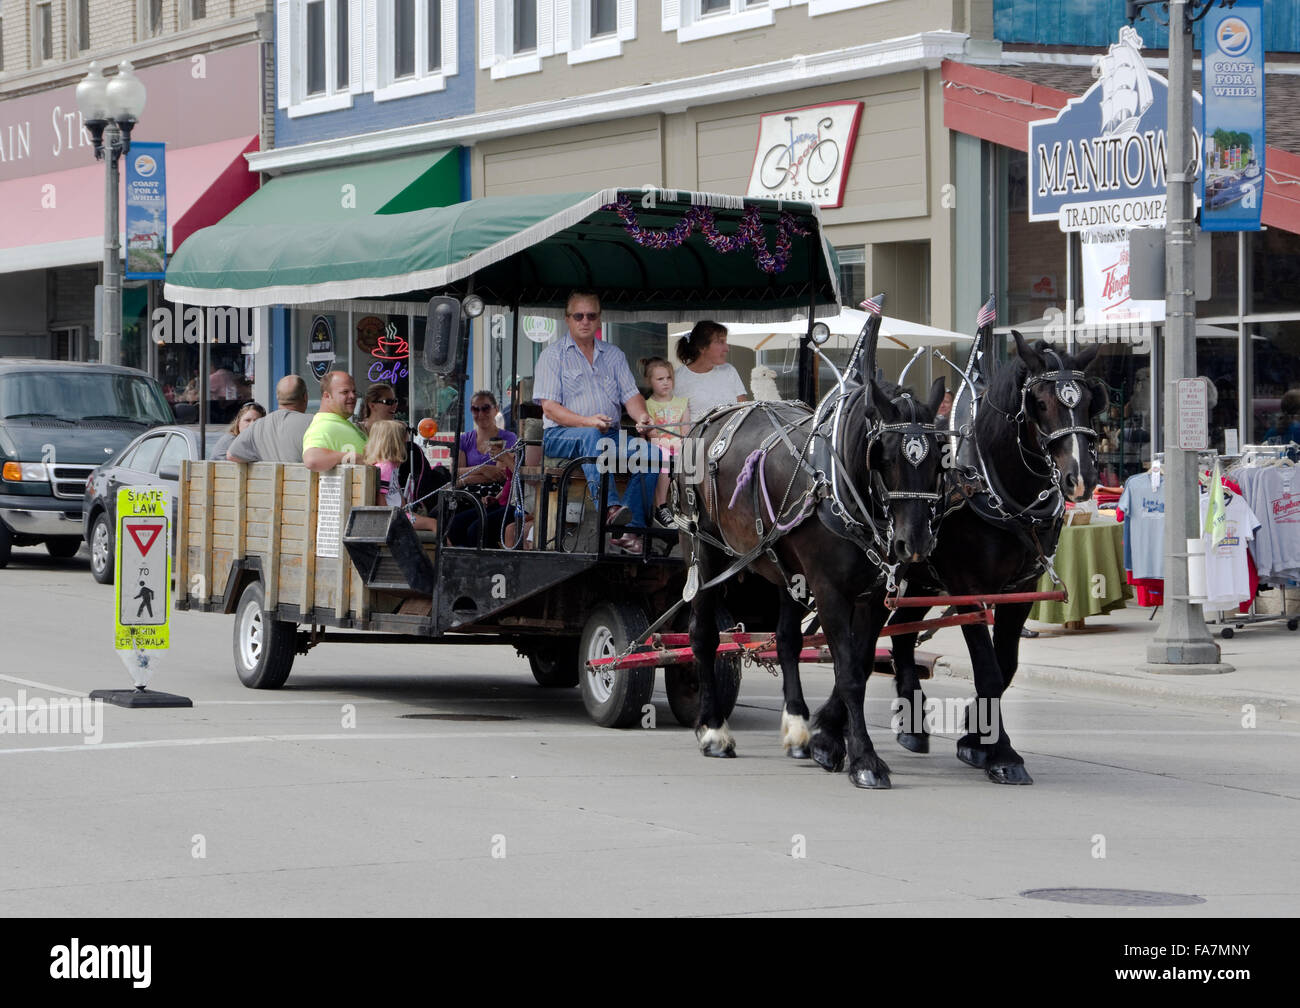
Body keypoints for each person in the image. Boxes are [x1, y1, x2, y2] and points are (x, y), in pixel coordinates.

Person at [532, 290, 659, 553]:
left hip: (608, 435)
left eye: (591, 315)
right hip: (561, 435)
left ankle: (629, 527)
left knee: (653, 454)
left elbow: (631, 396)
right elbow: (551, 409)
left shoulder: (614, 355)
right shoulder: (552, 356)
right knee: (591, 436)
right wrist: (587, 421)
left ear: (599, 319)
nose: (585, 321)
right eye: (578, 315)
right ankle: (611, 510)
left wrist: (642, 417)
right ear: (567, 319)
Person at [446, 390, 518, 548]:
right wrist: (484, 468)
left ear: (496, 409)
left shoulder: (508, 438)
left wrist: (466, 478)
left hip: (491, 495)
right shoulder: (464, 439)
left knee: (472, 527)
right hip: (466, 494)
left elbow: (498, 475)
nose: (480, 413)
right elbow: (454, 472)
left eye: (485, 408)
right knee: (446, 520)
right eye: (475, 409)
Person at [364, 419, 437, 532]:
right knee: (433, 523)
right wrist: (390, 520)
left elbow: (397, 491)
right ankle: (450, 550)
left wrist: (405, 508)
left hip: (400, 513)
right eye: (403, 443)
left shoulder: (391, 466)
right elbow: (380, 496)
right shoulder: (385, 467)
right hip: (394, 518)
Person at [642, 357, 689, 528]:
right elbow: (653, 435)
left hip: (678, 445)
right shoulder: (647, 406)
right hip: (660, 446)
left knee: (693, 455)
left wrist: (681, 444)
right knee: (664, 458)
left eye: (669, 378)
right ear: (650, 381)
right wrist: (672, 445)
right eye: (660, 379)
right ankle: (661, 506)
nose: (665, 382)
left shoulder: (682, 403)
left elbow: (685, 431)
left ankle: (687, 508)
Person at [227, 375, 313, 464]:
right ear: (305, 397)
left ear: (277, 397)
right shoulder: (313, 423)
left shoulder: (257, 425)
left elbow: (231, 455)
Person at [674, 320, 748, 420]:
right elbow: (677, 420)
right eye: (720, 342)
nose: (727, 348)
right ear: (702, 347)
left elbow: (743, 410)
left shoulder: (729, 370)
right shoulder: (678, 378)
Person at [302, 371, 368, 472]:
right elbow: (312, 459)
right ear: (327, 396)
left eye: (354, 392)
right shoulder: (323, 425)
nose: (352, 396)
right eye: (345, 392)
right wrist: (354, 457)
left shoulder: (337, 422)